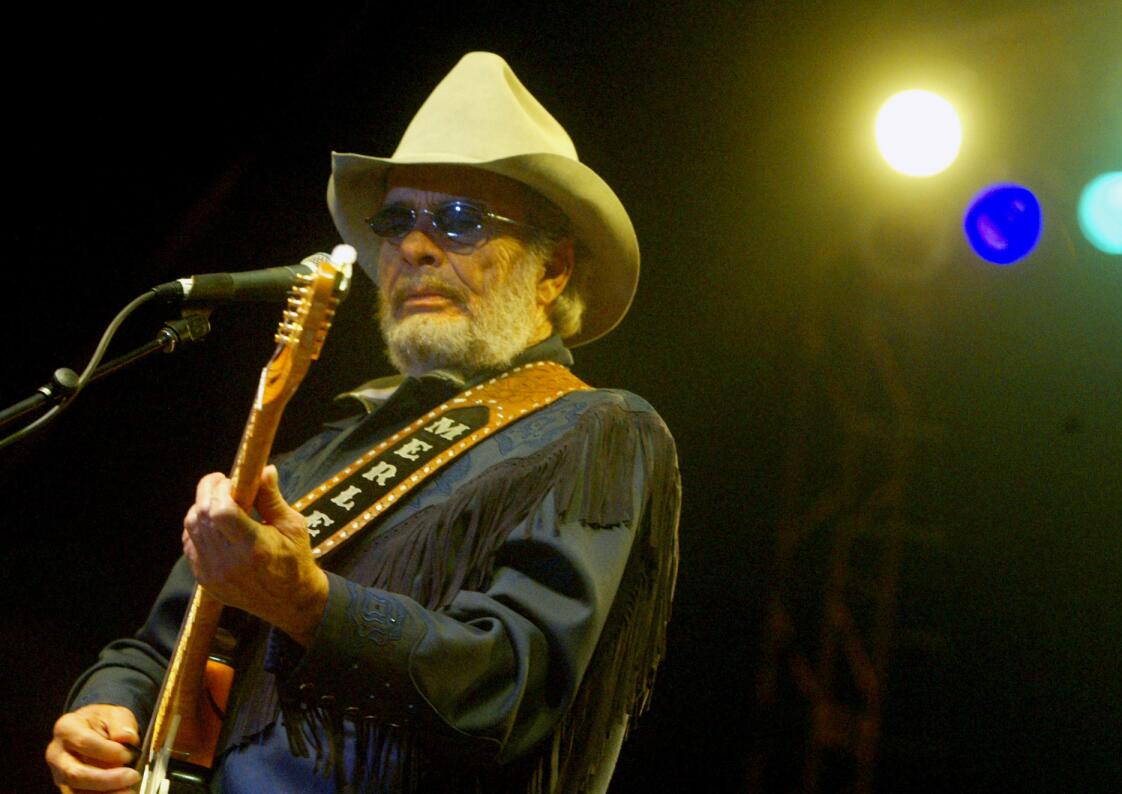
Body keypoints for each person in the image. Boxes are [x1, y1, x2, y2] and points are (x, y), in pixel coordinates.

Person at [46, 52, 680, 793]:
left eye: (461, 220)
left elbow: (508, 687)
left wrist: (309, 604)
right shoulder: (328, 446)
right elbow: (160, 645)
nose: (414, 246)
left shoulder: (596, 431)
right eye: (397, 219)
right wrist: (105, 707)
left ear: (553, 269)